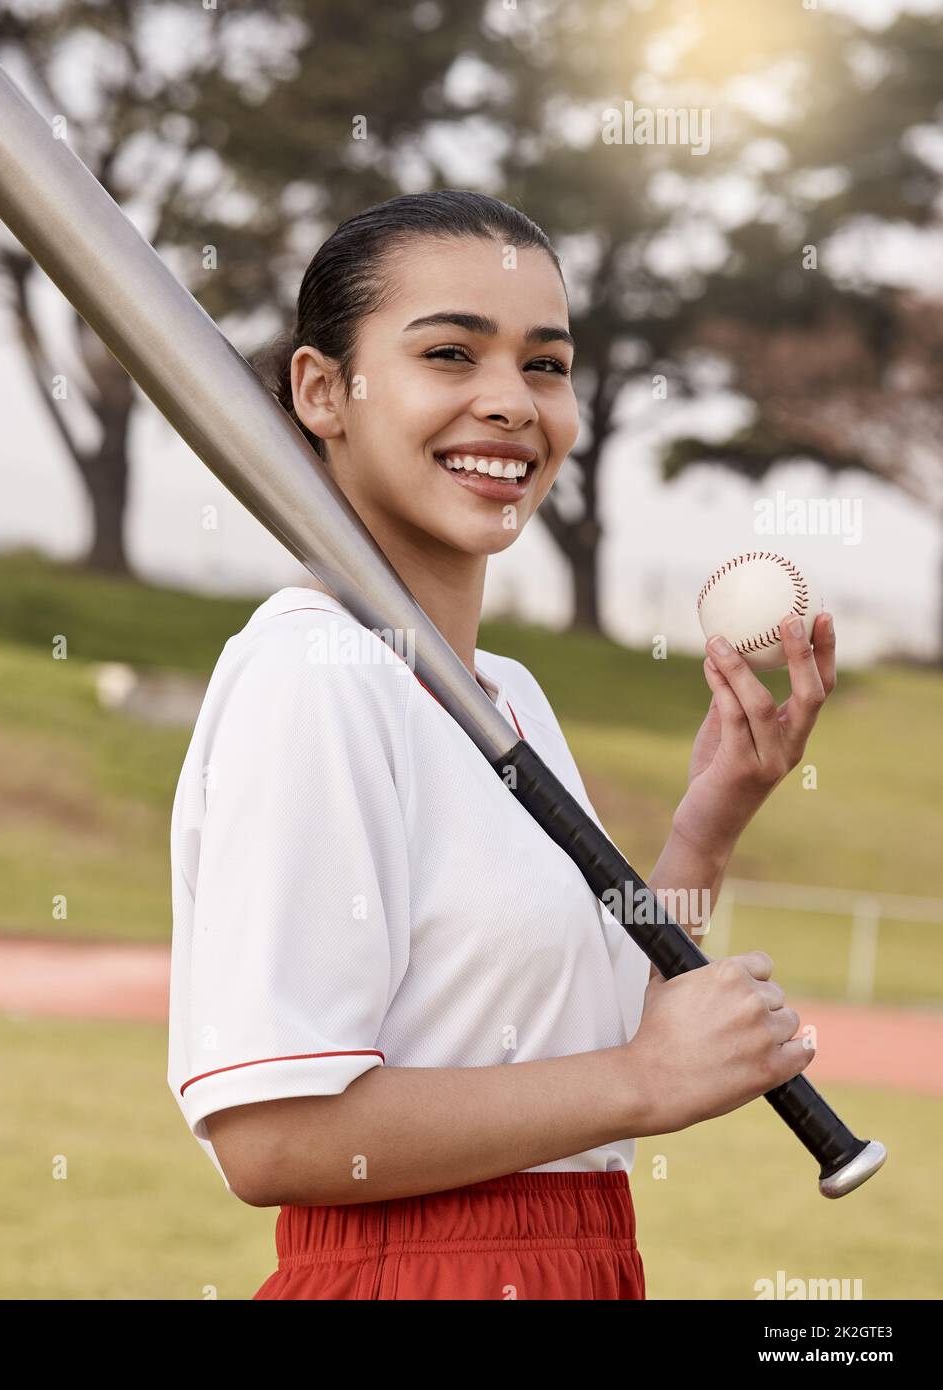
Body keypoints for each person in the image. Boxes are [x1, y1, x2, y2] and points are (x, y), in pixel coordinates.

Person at [167, 190, 836, 1300]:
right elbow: (271, 1135)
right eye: (448, 353)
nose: (509, 404)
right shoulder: (312, 676)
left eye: (543, 364)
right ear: (321, 391)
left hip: (576, 1260)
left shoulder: (504, 693)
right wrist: (639, 1081)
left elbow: (566, 1040)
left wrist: (706, 820)